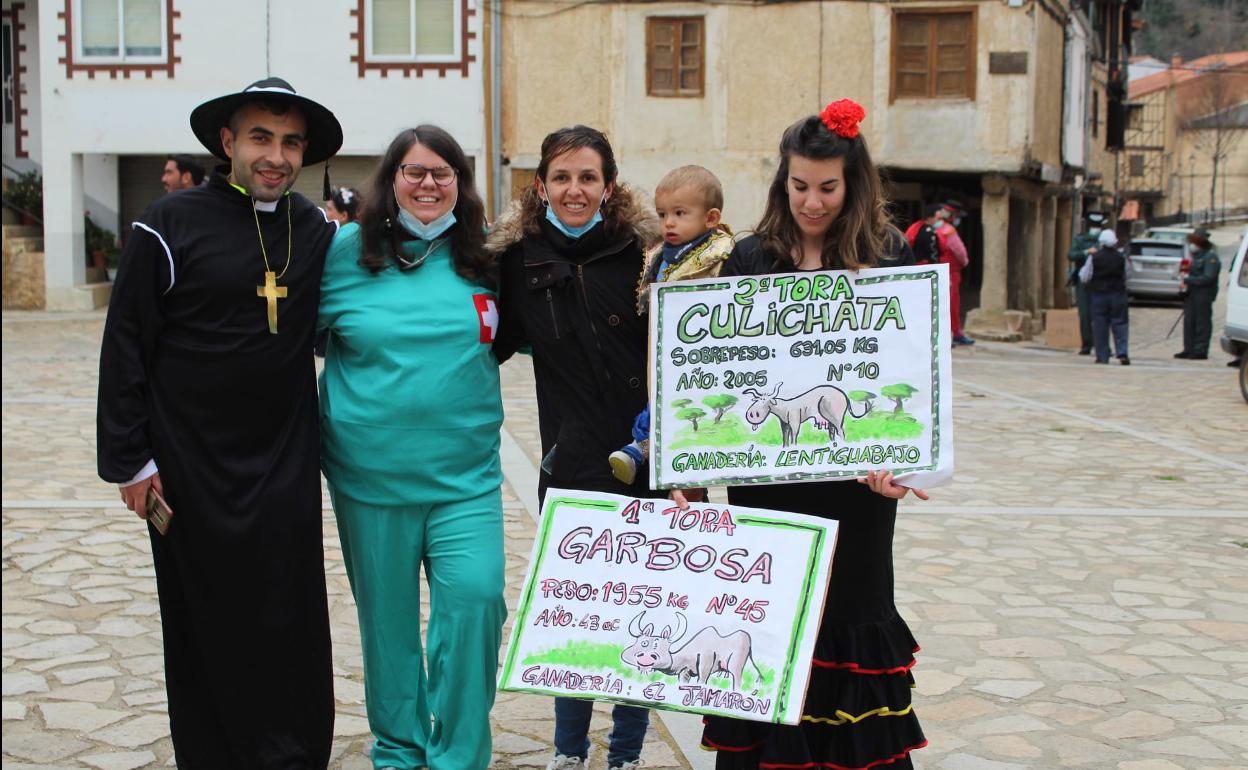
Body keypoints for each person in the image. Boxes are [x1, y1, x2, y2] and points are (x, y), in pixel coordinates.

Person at [96, 77, 343, 767]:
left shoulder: (315, 229)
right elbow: (126, 346)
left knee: (289, 618)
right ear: (227, 142)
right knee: (204, 619)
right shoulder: (166, 225)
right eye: (261, 137)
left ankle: (292, 755)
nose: (277, 156)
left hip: (284, 464)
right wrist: (130, 461)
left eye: (291, 142)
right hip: (188, 466)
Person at [684, 99, 929, 770]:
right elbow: (721, 377)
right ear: (781, 182)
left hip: (858, 497)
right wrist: (688, 467)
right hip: (768, 493)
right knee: (770, 623)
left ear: (853, 184)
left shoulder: (889, 254)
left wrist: (901, 465)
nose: (812, 202)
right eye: (798, 187)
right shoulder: (749, 258)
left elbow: (911, 374)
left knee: (850, 621)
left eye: (827, 187)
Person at [317, 126, 506, 770]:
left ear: (460, 181)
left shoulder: (487, 256)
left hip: (467, 481)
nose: (429, 184)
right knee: (389, 628)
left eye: (443, 172)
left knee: (476, 603)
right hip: (370, 482)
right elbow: (281, 343)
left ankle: (457, 753)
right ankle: (399, 751)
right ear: (391, 179)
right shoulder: (344, 254)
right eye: (414, 171)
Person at [489, 124, 661, 770]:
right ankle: (568, 752)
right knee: (577, 616)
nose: (575, 189)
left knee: (642, 617)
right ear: (540, 186)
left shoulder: (643, 254)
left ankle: (625, 752)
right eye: (561, 177)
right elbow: (484, 338)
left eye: (588, 177)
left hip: (645, 456)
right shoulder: (519, 259)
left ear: (609, 186)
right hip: (573, 462)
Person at [608, 164, 734, 484]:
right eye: (663, 214)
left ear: (711, 218)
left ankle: (644, 450)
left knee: (674, 404)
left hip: (702, 350)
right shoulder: (661, 254)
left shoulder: (719, 255)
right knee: (658, 397)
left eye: (680, 213)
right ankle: (648, 450)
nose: (669, 223)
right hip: (664, 345)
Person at [1079, 228, 1131, 365]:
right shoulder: (1121, 257)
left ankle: (1102, 355)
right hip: (1117, 294)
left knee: (1100, 325)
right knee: (1120, 323)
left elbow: (1085, 276)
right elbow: (1128, 274)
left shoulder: (1094, 257)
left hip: (1099, 294)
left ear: (1101, 242)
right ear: (1114, 242)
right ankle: (1122, 352)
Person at [1175, 227, 1221, 360]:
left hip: (1204, 294)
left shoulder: (1210, 257)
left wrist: (1189, 279)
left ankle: (1200, 350)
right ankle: (1188, 349)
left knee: (1202, 322)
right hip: (1192, 293)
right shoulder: (1195, 257)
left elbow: (1208, 277)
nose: (1192, 245)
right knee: (1189, 321)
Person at [1068, 211, 1108, 355]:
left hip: (1100, 280)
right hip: (1083, 281)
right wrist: (1085, 252)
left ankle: (1103, 346)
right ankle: (1086, 344)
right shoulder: (1080, 239)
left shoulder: (1104, 240)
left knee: (1101, 314)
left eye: (1097, 226)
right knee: (1085, 314)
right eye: (1093, 226)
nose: (1095, 228)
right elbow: (1071, 255)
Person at [938, 200, 974, 345]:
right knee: (952, 303)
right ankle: (955, 332)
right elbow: (960, 252)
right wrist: (965, 262)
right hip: (951, 271)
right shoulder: (949, 231)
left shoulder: (934, 227)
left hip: (937, 269)